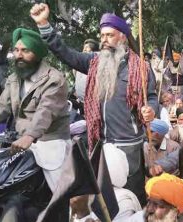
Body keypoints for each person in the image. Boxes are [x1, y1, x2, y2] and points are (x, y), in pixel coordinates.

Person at [30, 3, 158, 205]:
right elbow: (65, 53)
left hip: (129, 147)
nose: (103, 40)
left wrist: (151, 110)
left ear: (122, 37)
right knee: (104, 200)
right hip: (100, 144)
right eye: (102, 36)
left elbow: (151, 97)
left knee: (133, 198)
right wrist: (44, 25)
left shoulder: (141, 68)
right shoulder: (93, 62)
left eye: (109, 35)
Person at [0, 28, 70, 220]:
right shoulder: (14, 79)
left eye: (25, 51)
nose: (19, 55)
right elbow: (0, 109)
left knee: (61, 195)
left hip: (49, 142)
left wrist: (30, 136)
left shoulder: (54, 79)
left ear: (37, 53)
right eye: (17, 50)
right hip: (18, 141)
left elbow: (45, 112)